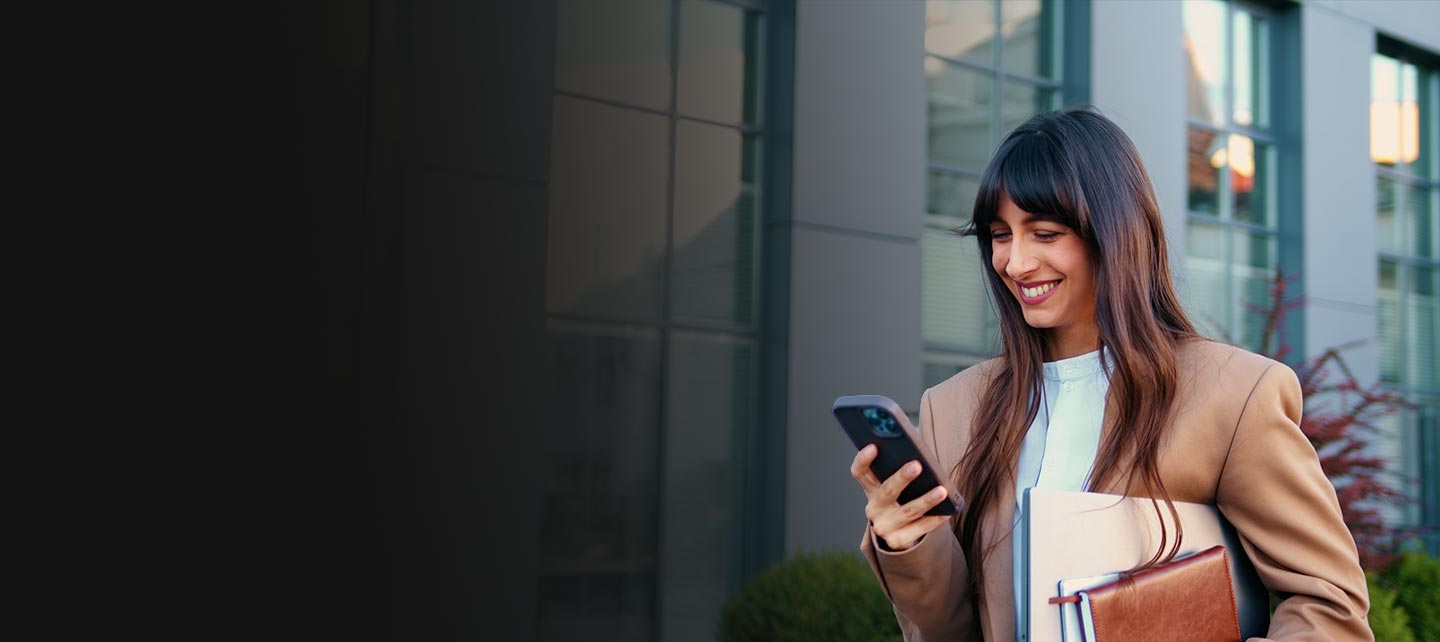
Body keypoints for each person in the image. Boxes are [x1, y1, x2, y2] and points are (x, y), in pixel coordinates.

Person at [851, 108, 1371, 641]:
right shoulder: (956, 407)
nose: (1015, 262)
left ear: (1114, 232)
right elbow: (949, 629)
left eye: (1045, 233)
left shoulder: (1231, 395)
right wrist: (908, 543)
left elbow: (1327, 600)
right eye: (1000, 234)